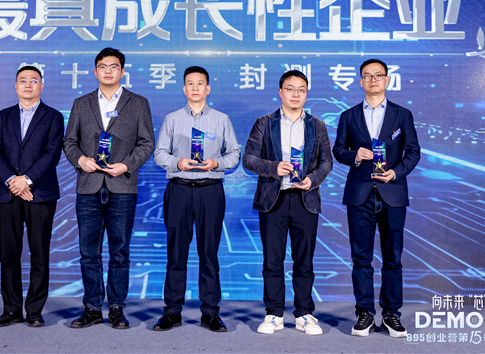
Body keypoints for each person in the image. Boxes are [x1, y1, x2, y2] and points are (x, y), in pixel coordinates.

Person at [63, 48, 155, 330]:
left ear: (122, 71)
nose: (108, 71)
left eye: (113, 66)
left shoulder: (138, 103)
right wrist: (81, 160)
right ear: (95, 71)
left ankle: (116, 308)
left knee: (120, 252)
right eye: (102, 66)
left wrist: (126, 165)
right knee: (88, 252)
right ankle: (92, 308)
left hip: (122, 186)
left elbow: (147, 142)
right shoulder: (81, 103)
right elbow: (69, 142)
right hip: (89, 186)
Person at [332, 58, 420, 338]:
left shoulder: (402, 114)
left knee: (393, 258)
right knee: (361, 259)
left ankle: (392, 314)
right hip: (359, 194)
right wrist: (355, 155)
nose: (373, 80)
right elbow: (338, 150)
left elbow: (413, 152)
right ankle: (364, 313)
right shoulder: (349, 116)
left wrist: (396, 173)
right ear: (360, 81)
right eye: (367, 76)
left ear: (387, 80)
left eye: (378, 75)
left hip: (393, 194)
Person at [243, 70, 332, 336]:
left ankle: (304, 313)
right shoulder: (264, 123)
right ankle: (274, 313)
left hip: (305, 199)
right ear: (280, 92)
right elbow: (249, 159)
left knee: (305, 261)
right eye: (290, 89)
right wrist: (273, 168)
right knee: (273, 260)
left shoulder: (317, 125)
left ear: (306, 93)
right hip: (274, 199)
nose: (296, 94)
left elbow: (326, 161)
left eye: (301, 90)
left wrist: (312, 179)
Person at [152, 66, 240, 333]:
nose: (195, 88)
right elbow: (159, 154)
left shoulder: (222, 119)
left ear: (208, 88)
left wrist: (217, 162)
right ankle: (172, 311)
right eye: (190, 83)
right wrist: (177, 162)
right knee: (175, 253)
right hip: (179, 189)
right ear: (184, 88)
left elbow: (234, 154)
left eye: (200, 83)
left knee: (209, 252)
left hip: (210, 190)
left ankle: (210, 312)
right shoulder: (172, 119)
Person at [0, 65, 64, 328]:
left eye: (34, 80)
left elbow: (52, 154)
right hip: (7, 194)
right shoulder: (3, 116)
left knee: (39, 253)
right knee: (9, 254)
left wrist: (27, 180)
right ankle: (11, 310)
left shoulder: (53, 117)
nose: (28, 85)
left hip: (40, 194)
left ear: (42, 85)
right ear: (15, 86)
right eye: (23, 80)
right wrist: (13, 181)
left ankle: (34, 310)